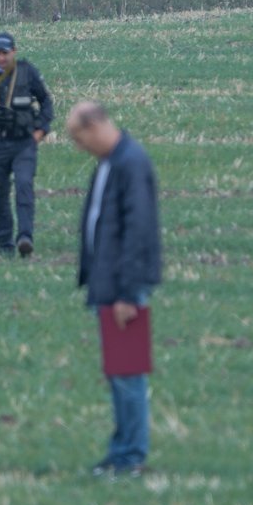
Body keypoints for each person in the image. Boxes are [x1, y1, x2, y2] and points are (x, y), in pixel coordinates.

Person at [66, 100, 162, 478]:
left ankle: (130, 456)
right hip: (108, 282)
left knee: (128, 375)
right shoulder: (112, 161)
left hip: (123, 288)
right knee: (119, 373)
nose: (79, 147)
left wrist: (126, 293)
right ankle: (121, 450)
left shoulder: (130, 163)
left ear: (94, 126)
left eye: (78, 138)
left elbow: (139, 231)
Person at [0, 30, 54, 258]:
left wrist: (40, 130)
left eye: (5, 53)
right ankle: (4, 245)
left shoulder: (27, 72)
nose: (2, 57)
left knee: (24, 185)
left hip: (23, 142)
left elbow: (46, 102)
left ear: (14, 51)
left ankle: (25, 238)